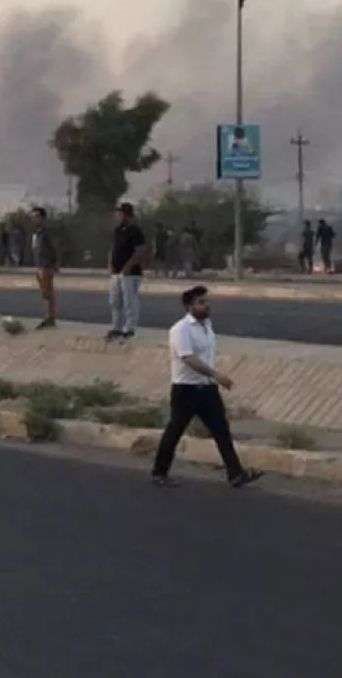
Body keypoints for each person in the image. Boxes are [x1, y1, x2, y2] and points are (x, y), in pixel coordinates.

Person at [150, 286, 262, 489]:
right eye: (201, 302)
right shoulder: (180, 329)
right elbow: (188, 358)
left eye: (206, 301)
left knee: (221, 430)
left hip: (207, 389)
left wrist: (212, 380)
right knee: (175, 430)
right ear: (189, 306)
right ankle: (159, 472)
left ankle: (235, 474)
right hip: (186, 389)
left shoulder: (207, 326)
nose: (206, 305)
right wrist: (216, 375)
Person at [107, 203, 148, 341]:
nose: (118, 217)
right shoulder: (118, 230)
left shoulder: (135, 231)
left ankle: (129, 328)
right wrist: (110, 263)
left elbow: (140, 250)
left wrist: (128, 266)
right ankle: (116, 327)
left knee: (129, 301)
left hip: (130, 273)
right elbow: (114, 248)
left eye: (120, 214)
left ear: (127, 215)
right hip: (116, 272)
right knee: (115, 301)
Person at [31, 207, 58, 329]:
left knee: (47, 292)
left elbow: (54, 247)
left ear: (42, 218)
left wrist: (54, 263)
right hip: (39, 265)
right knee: (45, 292)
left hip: (46, 265)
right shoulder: (36, 233)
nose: (34, 219)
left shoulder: (46, 233)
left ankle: (49, 317)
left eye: (36, 216)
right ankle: (49, 317)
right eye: (33, 216)